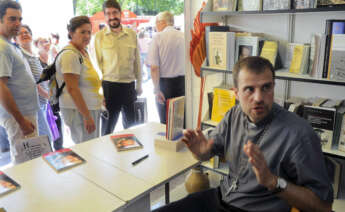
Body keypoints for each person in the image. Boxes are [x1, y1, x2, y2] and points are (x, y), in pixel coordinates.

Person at [153, 57, 333, 212]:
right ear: (236, 93)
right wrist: (201, 152)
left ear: (273, 86)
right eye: (249, 89)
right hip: (221, 197)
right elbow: (208, 151)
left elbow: (323, 206)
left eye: (266, 87)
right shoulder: (234, 114)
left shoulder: (299, 134)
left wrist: (272, 181)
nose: (259, 98)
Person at [92, 0, 142, 135]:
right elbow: (97, 66)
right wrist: (100, 93)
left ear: (120, 14)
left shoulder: (132, 34)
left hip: (129, 86)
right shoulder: (99, 37)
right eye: (108, 13)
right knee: (107, 129)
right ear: (105, 16)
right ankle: (106, 155)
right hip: (109, 87)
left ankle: (133, 154)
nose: (112, 16)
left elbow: (137, 61)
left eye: (114, 12)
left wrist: (139, 85)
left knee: (132, 127)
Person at [0, 0, 39, 163]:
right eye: (12, 19)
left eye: (19, 19)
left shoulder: (9, 45)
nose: (17, 23)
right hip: (19, 117)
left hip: (24, 114)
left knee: (30, 161)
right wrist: (21, 121)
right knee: (25, 164)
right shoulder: (2, 48)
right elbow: (1, 87)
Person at [56, 16, 102, 144]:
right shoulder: (70, 54)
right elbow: (72, 89)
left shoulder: (81, 51)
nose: (87, 36)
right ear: (71, 33)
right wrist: (87, 116)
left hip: (88, 108)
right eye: (82, 32)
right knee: (87, 149)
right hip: (79, 112)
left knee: (91, 147)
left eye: (89, 32)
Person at [14, 25, 53, 144]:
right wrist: (47, 95)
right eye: (20, 33)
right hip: (34, 104)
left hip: (41, 103)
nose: (24, 34)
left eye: (26, 32)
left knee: (43, 138)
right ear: (15, 40)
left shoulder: (33, 55)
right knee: (46, 138)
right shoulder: (21, 55)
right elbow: (31, 82)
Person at [147, 11, 185, 124]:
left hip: (165, 85)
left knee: (166, 123)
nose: (155, 26)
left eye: (156, 23)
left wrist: (156, 89)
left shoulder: (158, 37)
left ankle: (167, 142)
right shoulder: (184, 36)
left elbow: (154, 68)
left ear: (162, 22)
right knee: (181, 122)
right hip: (183, 84)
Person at [35, 36, 64, 150]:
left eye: (47, 41)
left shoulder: (51, 60)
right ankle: (52, 151)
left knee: (57, 125)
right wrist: (47, 96)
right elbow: (36, 85)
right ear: (36, 45)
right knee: (49, 127)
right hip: (45, 100)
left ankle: (59, 149)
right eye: (41, 42)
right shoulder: (36, 62)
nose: (45, 44)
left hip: (53, 98)